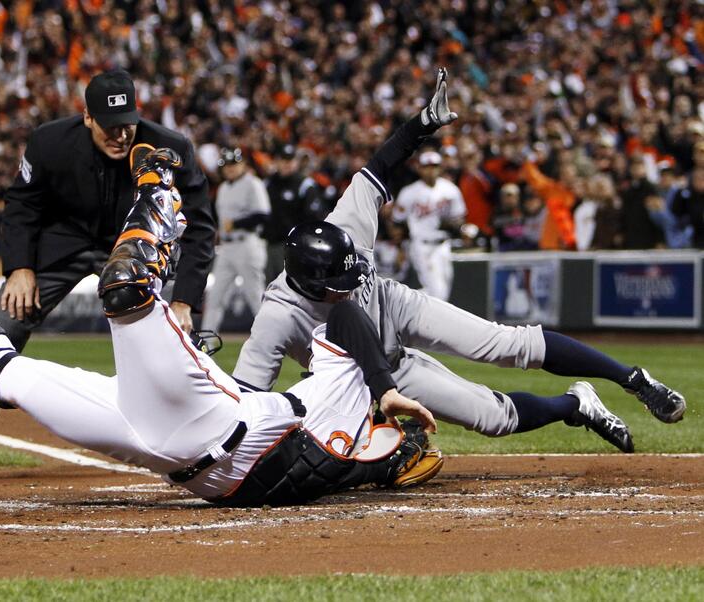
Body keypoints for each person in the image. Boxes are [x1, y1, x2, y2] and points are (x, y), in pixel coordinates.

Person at [0, 146, 441, 507]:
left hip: (161, 450)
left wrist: (390, 450)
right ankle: (162, 190)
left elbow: (356, 463)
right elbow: (350, 323)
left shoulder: (371, 447)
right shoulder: (347, 355)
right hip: (213, 422)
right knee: (126, 290)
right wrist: (384, 386)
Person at [234, 69, 686, 451]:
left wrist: (422, 124)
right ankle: (578, 405)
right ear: (310, 285)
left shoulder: (344, 227)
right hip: (365, 374)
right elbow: (246, 401)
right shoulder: (278, 316)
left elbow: (379, 164)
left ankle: (634, 380)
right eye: (339, 282)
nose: (351, 282)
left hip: (394, 307)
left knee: (507, 343)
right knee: (494, 419)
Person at [0, 69, 216, 466]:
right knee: (4, 319)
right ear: (87, 117)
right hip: (63, 245)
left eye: (128, 125)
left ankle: (200, 433)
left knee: (179, 335)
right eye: (110, 125)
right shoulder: (49, 142)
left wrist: (185, 302)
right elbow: (22, 204)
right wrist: (19, 268)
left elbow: (200, 229)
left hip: (132, 249)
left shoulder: (171, 148)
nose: (121, 135)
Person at [200, 147, 270, 333]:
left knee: (255, 297)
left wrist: (237, 223)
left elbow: (263, 215)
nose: (230, 168)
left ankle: (271, 338)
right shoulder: (223, 188)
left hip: (247, 245)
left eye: (233, 164)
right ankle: (205, 345)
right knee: (215, 298)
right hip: (226, 248)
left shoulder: (253, 183)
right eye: (226, 165)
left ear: (243, 165)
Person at [392, 150, 467, 301]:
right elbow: (397, 222)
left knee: (444, 286)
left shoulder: (450, 189)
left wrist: (452, 225)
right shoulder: (410, 192)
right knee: (437, 291)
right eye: (427, 166)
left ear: (440, 168)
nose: (431, 170)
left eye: (434, 166)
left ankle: (407, 304)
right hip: (422, 245)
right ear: (419, 168)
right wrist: (400, 249)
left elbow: (460, 217)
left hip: (443, 245)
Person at [263, 144, 326, 284]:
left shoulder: (304, 184)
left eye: (290, 160)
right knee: (269, 287)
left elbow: (314, 217)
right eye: (283, 160)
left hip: (294, 247)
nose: (287, 164)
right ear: (277, 161)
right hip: (269, 245)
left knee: (291, 286)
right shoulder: (268, 183)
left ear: (296, 162)